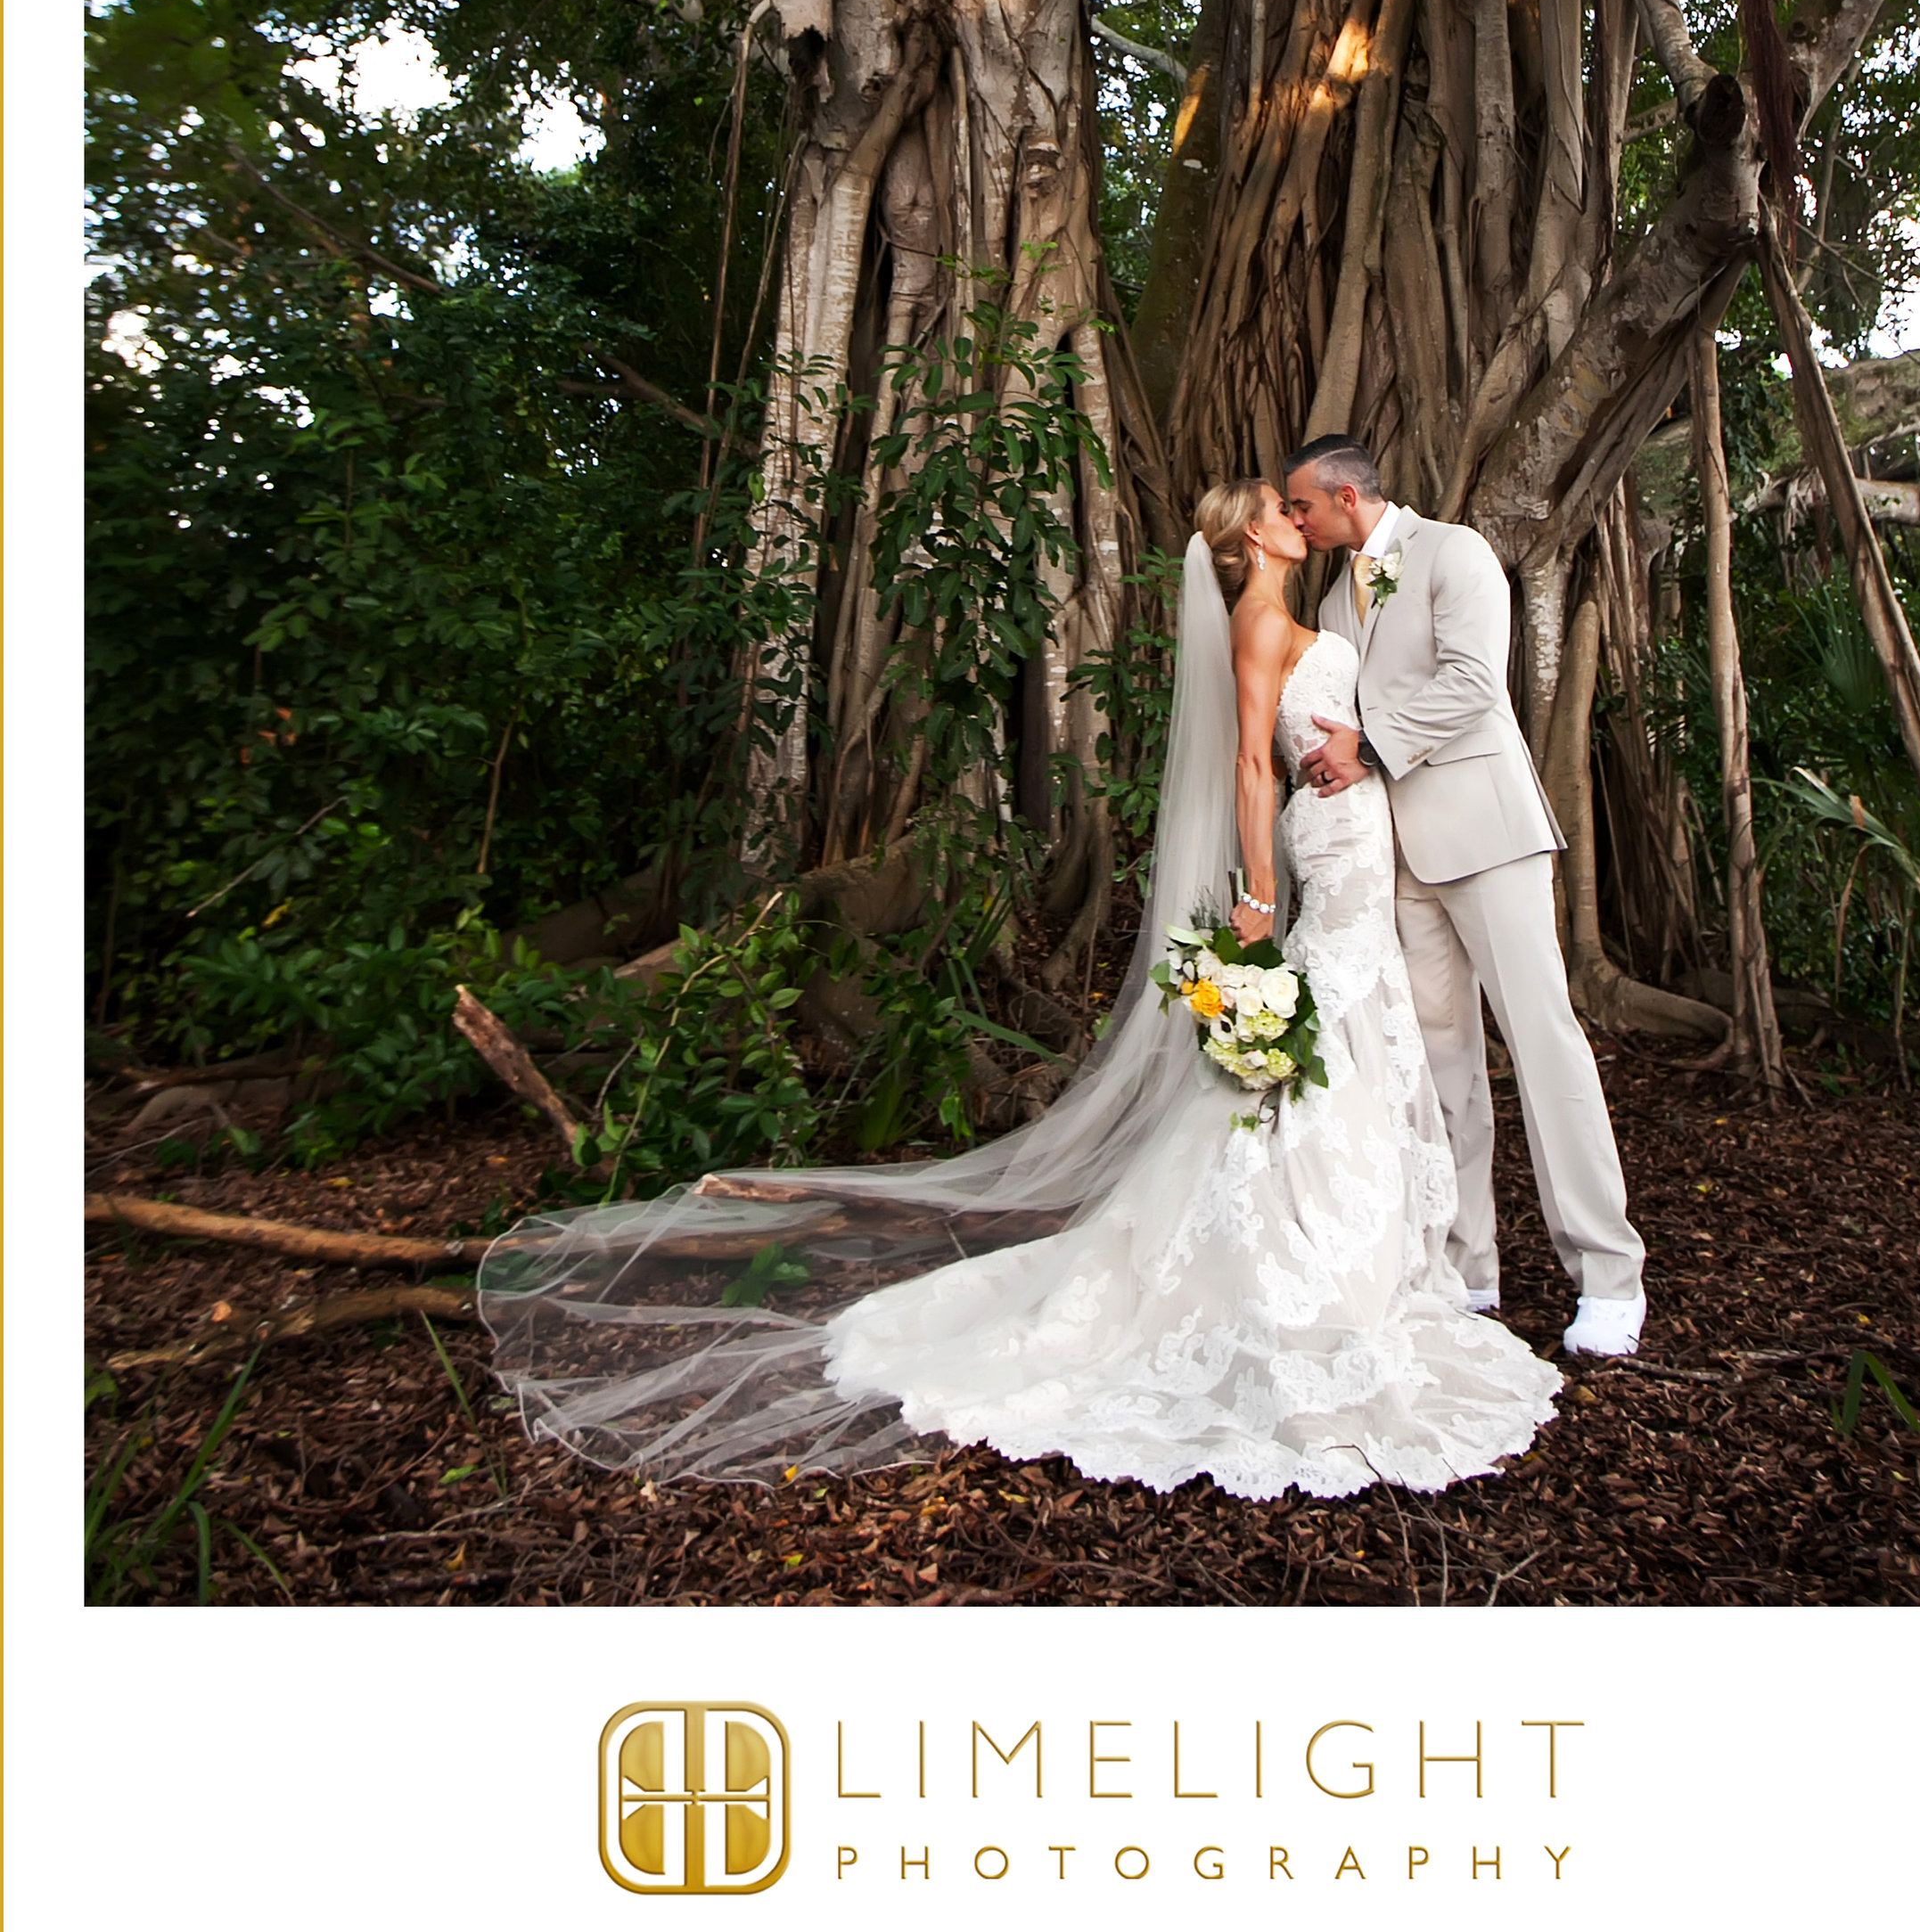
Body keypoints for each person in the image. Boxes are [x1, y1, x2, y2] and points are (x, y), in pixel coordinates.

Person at [477, 481, 1560, 1501]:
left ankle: (1376, 1260)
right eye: (1275, 510)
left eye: (1295, 502)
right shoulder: (1259, 626)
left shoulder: (1318, 604)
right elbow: (1249, 766)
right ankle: (1293, 1265)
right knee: (1322, 1037)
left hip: (1369, 833)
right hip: (1326, 851)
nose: (1292, 513)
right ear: (1249, 543)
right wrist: (1261, 897)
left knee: (1363, 1029)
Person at [1281, 431, 1647, 1359]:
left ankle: (1607, 1271)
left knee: (1542, 1042)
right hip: (1395, 856)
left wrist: (1365, 742)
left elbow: (1477, 685)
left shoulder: (1453, 552)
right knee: (1439, 1061)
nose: (1293, 521)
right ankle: (1467, 1263)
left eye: (1301, 506)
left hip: (1485, 834)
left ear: (1346, 495)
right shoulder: (1330, 597)